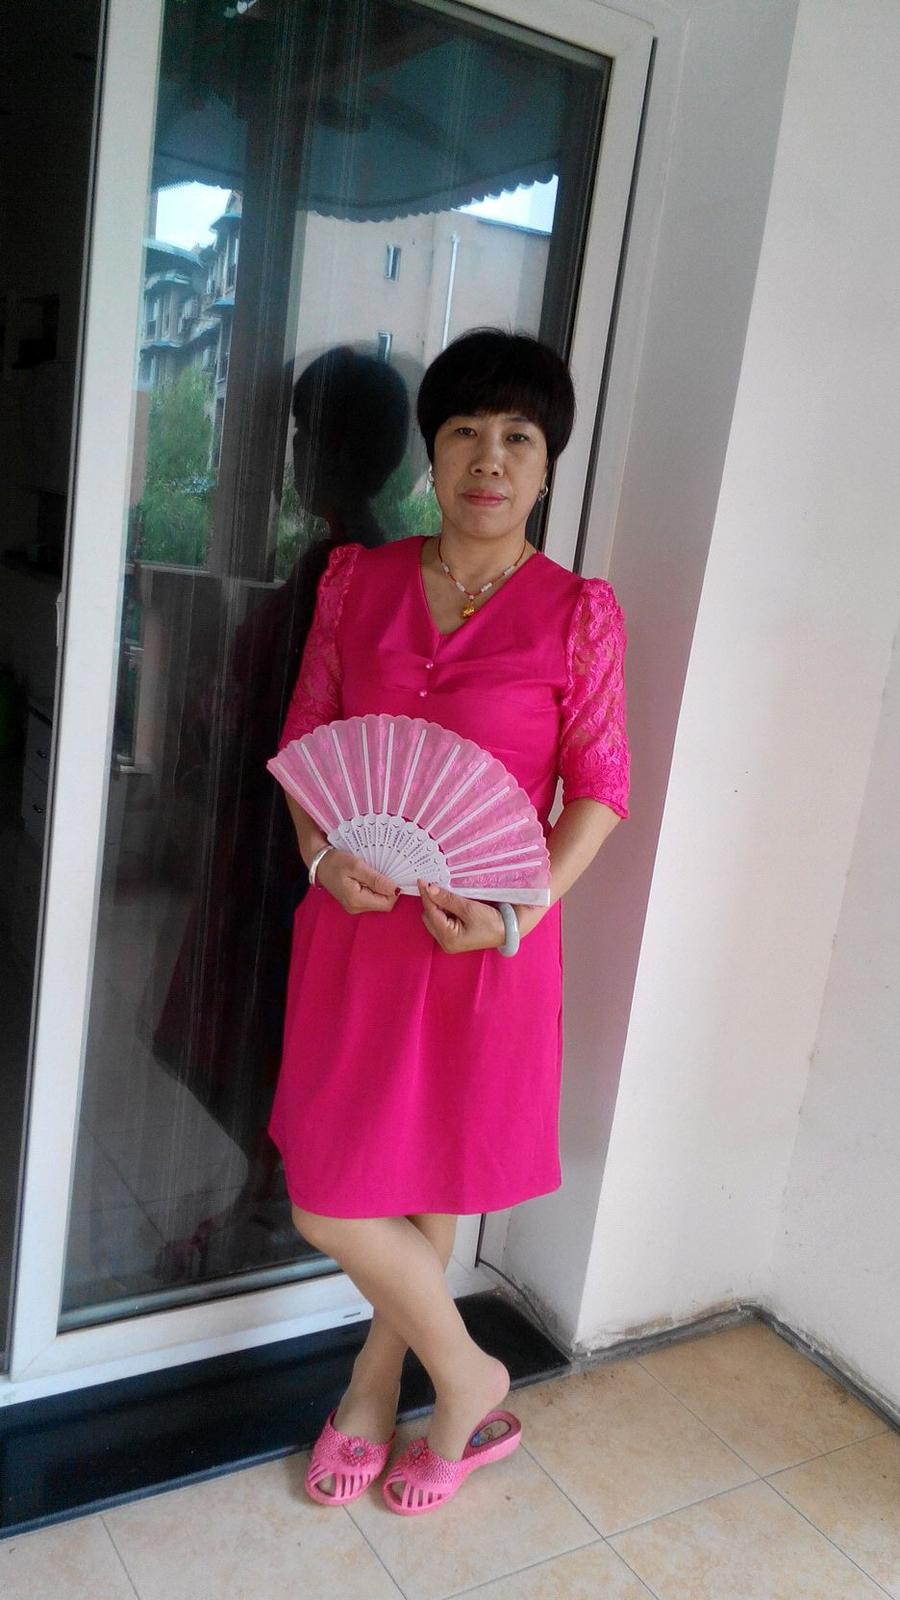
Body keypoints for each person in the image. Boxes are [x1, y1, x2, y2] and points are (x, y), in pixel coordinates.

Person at [267, 327, 630, 1513]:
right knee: (330, 1195)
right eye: (466, 431)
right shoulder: (354, 581)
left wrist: (520, 914)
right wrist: (321, 860)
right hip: (358, 925)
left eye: (518, 436)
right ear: (432, 453)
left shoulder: (579, 613)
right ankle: (469, 1374)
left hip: (485, 938)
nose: (490, 457)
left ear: (547, 463)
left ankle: (374, 1387)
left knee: (432, 1179)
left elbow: (599, 790)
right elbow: (307, 744)